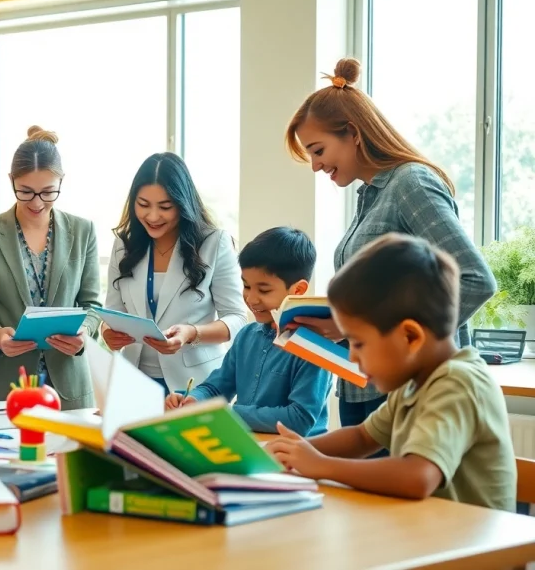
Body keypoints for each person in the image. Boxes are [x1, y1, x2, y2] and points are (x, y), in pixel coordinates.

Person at [285, 57, 496, 428]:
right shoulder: (370, 194)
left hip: (411, 390)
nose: (315, 165)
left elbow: (476, 280)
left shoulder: (410, 184)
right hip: (364, 388)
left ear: (353, 133)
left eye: (318, 151)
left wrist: (393, 343)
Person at [266, 234, 515, 511]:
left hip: (476, 537)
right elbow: (362, 437)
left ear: (410, 337)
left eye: (359, 343)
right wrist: (296, 450)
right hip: (432, 528)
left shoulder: (457, 382)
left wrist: (322, 465)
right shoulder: (414, 384)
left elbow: (417, 477)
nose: (352, 356)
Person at [0, 126, 101, 409]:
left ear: (62, 181)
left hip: (69, 386)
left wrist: (84, 334)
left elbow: (92, 305)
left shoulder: (83, 231)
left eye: (48, 192)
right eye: (25, 192)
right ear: (11, 180)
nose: (37, 203)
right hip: (5, 386)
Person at [164, 227, 332, 437]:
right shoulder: (246, 336)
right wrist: (194, 400)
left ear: (297, 290)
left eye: (264, 290)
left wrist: (226, 414)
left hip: (297, 452)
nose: (251, 299)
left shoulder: (314, 346)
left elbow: (299, 419)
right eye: (246, 286)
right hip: (253, 444)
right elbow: (216, 388)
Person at [104, 152, 246, 394]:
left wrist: (192, 333)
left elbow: (236, 318)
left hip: (195, 383)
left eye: (165, 207)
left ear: (183, 203)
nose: (153, 216)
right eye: (143, 205)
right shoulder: (123, 244)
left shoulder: (214, 243)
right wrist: (108, 333)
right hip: (134, 382)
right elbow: (112, 312)